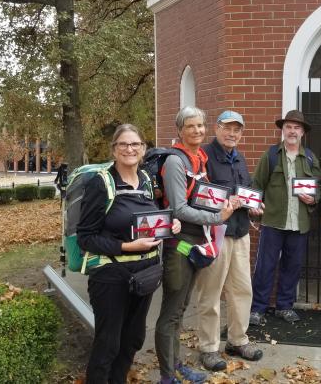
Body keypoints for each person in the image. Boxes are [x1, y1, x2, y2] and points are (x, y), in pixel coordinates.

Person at [77, 124, 182, 384]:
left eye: (135, 144)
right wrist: (126, 247)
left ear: (143, 149)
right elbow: (86, 237)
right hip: (111, 275)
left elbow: (148, 222)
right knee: (108, 343)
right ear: (114, 150)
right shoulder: (100, 183)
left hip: (144, 274)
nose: (129, 149)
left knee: (133, 339)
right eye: (123, 144)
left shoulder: (146, 181)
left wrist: (170, 225)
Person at [155, 107, 234, 384]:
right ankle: (167, 376)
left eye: (201, 125)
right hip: (179, 243)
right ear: (179, 130)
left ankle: (175, 366)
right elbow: (178, 209)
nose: (198, 131)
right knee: (171, 312)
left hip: (196, 239)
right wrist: (217, 216)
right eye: (191, 126)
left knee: (181, 308)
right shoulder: (177, 162)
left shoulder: (199, 157)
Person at [193, 110, 264, 371]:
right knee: (210, 293)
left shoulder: (240, 159)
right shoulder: (205, 157)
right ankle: (209, 347)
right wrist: (222, 205)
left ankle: (237, 340)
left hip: (240, 233)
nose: (232, 133)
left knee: (242, 290)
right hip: (216, 234)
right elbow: (199, 197)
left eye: (237, 129)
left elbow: (245, 195)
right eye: (227, 128)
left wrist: (253, 207)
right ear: (217, 128)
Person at [249, 110, 321, 326]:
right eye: (288, 127)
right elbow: (257, 185)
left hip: (299, 223)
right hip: (273, 221)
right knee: (265, 266)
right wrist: (254, 205)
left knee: (292, 266)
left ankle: (284, 307)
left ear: (302, 133)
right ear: (283, 130)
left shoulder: (310, 158)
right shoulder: (270, 155)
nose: (292, 131)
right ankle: (257, 309)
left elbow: (319, 188)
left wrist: (313, 199)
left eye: (296, 127)